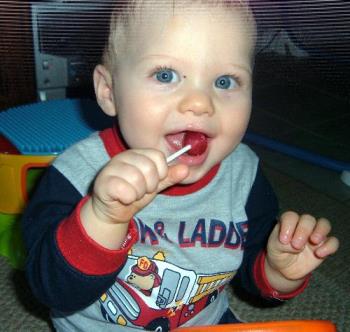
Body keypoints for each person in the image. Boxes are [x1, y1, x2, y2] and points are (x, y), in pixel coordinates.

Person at [22, 1, 339, 331]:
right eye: (165, 75)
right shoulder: (75, 175)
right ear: (109, 91)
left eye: (226, 81)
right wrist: (102, 218)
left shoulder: (243, 175)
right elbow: (51, 290)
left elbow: (251, 264)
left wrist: (277, 271)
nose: (200, 103)